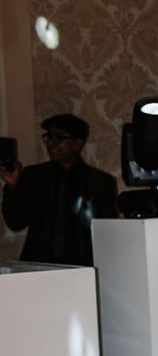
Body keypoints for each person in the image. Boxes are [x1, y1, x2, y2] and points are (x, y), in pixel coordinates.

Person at [1, 113, 117, 266]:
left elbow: (107, 234)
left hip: (83, 268)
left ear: (78, 144)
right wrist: (13, 186)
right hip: (38, 267)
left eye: (59, 138)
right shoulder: (33, 176)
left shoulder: (100, 182)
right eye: (48, 137)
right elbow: (15, 223)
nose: (51, 143)